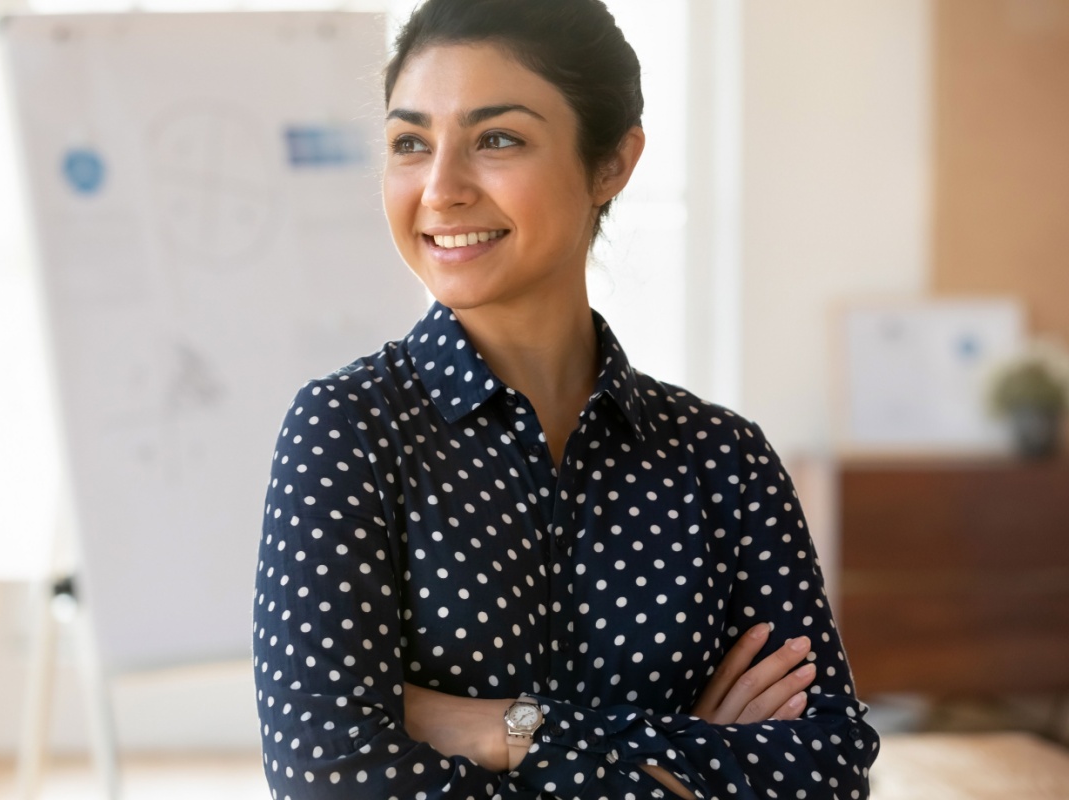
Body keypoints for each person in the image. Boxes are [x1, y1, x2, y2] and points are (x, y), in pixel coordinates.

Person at [252, 0, 880, 797]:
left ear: (612, 163)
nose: (440, 188)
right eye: (410, 143)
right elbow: (329, 776)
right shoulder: (346, 433)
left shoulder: (725, 460)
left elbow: (828, 769)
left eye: (497, 139)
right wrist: (687, 754)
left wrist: (500, 729)